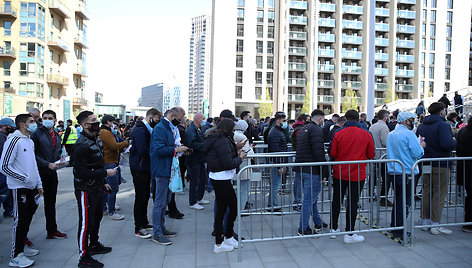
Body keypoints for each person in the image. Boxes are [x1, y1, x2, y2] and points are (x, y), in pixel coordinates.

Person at [73, 111, 115, 268]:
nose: (97, 123)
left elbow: (97, 164)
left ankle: (94, 244)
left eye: (96, 120)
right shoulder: (81, 145)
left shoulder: (95, 139)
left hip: (96, 187)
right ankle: (83, 257)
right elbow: (81, 172)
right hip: (85, 190)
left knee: (96, 218)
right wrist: (105, 173)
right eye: (93, 121)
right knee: (85, 223)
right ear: (84, 125)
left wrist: (103, 181)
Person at [0, 114, 42, 268]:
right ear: (22, 124)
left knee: (27, 219)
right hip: (19, 187)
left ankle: (22, 248)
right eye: (31, 122)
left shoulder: (29, 141)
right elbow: (4, 166)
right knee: (20, 220)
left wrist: (38, 183)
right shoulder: (14, 140)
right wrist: (24, 179)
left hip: (31, 187)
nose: (34, 124)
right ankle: (16, 255)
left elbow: (33, 165)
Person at [329, 109, 375, 243]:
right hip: (357, 173)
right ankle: (349, 232)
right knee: (352, 202)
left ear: (346, 119)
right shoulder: (366, 134)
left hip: (340, 172)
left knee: (336, 200)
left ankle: (333, 228)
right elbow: (371, 154)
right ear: (358, 119)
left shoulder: (338, 133)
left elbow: (332, 152)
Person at [204, 119, 247, 253]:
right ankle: (220, 241)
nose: (234, 131)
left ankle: (226, 237)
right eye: (233, 129)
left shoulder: (218, 138)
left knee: (223, 208)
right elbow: (227, 162)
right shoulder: (221, 140)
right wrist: (240, 158)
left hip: (220, 176)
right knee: (232, 206)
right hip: (221, 177)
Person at [417, 102, 456, 235]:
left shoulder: (422, 126)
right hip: (441, 163)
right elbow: (446, 144)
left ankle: (425, 220)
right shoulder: (443, 125)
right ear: (441, 112)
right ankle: (435, 223)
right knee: (439, 193)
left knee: (427, 191)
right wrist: (454, 141)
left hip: (426, 162)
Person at [150, 107, 188, 246]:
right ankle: (157, 232)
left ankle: (162, 228)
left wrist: (180, 151)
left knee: (165, 200)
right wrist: (177, 149)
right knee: (160, 202)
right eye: (180, 118)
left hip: (168, 168)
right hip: (162, 169)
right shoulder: (161, 128)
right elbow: (158, 149)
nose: (181, 121)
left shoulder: (169, 127)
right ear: (173, 116)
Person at [386, 111, 425, 239]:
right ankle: (399, 229)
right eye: (410, 120)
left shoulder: (391, 134)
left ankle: (395, 226)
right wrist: (422, 146)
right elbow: (417, 153)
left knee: (398, 200)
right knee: (405, 202)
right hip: (407, 171)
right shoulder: (409, 134)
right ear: (405, 121)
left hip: (394, 171)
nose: (412, 122)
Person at [30, 110, 67, 239]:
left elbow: (56, 151)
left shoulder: (56, 134)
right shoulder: (37, 133)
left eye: (50, 118)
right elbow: (32, 154)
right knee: (32, 205)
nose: (47, 120)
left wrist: (61, 158)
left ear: (55, 120)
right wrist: (46, 164)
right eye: (44, 117)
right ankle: (22, 236)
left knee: (51, 203)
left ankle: (52, 230)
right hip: (39, 173)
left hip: (52, 173)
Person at [295, 109, 329, 235]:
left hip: (302, 168)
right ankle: (303, 228)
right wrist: (324, 171)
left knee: (311, 198)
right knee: (309, 199)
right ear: (320, 119)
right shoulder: (316, 130)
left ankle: (318, 221)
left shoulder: (304, 129)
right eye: (323, 120)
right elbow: (319, 152)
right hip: (311, 170)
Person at [129, 108, 161, 239]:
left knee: (145, 195)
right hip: (139, 167)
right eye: (157, 120)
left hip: (144, 167)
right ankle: (138, 227)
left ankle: (144, 222)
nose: (157, 123)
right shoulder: (140, 130)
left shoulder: (147, 129)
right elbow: (143, 150)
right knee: (140, 197)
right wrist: (158, 151)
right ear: (151, 118)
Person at [99, 115, 129, 220]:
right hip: (109, 162)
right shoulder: (105, 132)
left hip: (112, 161)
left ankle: (107, 206)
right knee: (112, 188)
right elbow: (114, 146)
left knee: (109, 187)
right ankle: (111, 211)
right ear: (108, 122)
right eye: (113, 122)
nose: (114, 125)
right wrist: (126, 142)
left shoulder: (106, 132)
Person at [187, 113, 209, 210]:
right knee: (194, 180)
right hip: (194, 159)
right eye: (203, 119)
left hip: (199, 158)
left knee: (203, 178)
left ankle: (199, 197)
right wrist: (204, 145)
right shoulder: (192, 129)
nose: (204, 121)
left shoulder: (198, 129)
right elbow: (192, 143)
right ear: (198, 119)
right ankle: (193, 202)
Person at [369, 110, 392, 207]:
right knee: (386, 178)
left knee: (373, 176)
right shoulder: (384, 127)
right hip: (382, 156)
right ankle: (383, 197)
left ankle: (371, 194)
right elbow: (385, 142)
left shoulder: (372, 126)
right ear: (386, 117)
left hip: (374, 155)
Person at [267, 112, 289, 211]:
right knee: (275, 185)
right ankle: (272, 205)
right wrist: (280, 165)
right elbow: (276, 150)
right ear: (278, 121)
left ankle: (272, 204)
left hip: (278, 162)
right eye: (284, 121)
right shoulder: (275, 132)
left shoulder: (277, 131)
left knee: (275, 184)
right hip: (277, 162)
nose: (286, 123)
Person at [233, 119, 253, 212]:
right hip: (244, 165)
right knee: (244, 189)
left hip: (236, 164)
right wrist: (251, 148)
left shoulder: (232, 135)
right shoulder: (242, 136)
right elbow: (248, 152)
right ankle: (240, 209)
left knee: (237, 188)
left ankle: (236, 208)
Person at [456, 116, 472, 233]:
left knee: (469, 197)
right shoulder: (466, 132)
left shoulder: (463, 131)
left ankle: (468, 222)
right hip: (468, 169)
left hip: (465, 170)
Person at [0, 118, 15, 219]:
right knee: (3, 191)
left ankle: (9, 210)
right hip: (2, 169)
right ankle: (8, 210)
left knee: (7, 190)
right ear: (4, 126)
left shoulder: (6, 136)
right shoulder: (1, 137)